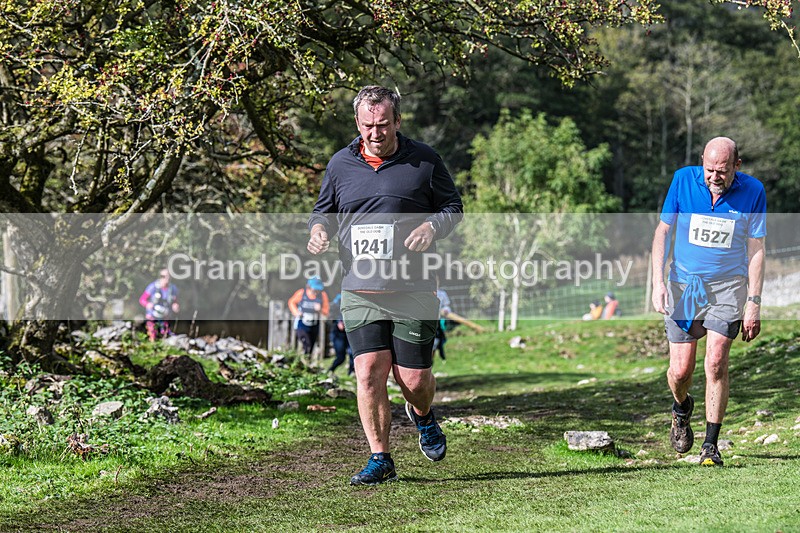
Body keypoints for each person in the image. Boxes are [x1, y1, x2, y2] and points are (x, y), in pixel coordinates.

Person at [306, 85, 463, 485]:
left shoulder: (424, 160)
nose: (375, 133)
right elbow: (322, 212)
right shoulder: (340, 164)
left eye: (382, 125)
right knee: (368, 372)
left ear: (397, 121)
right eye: (367, 125)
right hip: (360, 289)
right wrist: (319, 231)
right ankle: (381, 458)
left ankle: (422, 414)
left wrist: (432, 227)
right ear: (357, 122)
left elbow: (453, 207)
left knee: (413, 380)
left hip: (413, 288)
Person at [651, 136, 766, 467]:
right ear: (702, 160)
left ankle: (710, 445)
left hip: (728, 287)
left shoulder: (753, 191)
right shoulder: (682, 180)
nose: (714, 177)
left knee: (716, 361)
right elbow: (662, 232)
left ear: (736, 166)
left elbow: (757, 248)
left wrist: (754, 302)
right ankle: (681, 408)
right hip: (684, 286)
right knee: (680, 371)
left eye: (722, 171)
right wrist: (658, 283)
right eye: (710, 169)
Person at [287, 277, 330, 356]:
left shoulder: (322, 295)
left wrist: (320, 310)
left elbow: (326, 311)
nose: (317, 291)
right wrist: (296, 312)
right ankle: (301, 358)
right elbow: (291, 302)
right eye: (315, 289)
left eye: (318, 289)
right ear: (309, 287)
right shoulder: (301, 293)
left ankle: (306, 360)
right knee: (306, 343)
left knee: (310, 347)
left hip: (314, 325)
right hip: (302, 324)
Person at [139, 268, 180, 341]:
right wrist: (147, 304)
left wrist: (175, 306)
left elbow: (175, 302)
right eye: (163, 276)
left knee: (165, 335)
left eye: (168, 276)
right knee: (152, 335)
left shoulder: (173, 289)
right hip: (152, 316)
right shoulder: (153, 287)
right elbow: (142, 300)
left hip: (165, 317)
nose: (166, 278)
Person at [327, 293, 354, 375]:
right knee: (341, 357)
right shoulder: (339, 298)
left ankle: (351, 373)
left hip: (351, 330)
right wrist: (338, 321)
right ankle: (330, 370)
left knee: (352, 353)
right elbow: (332, 311)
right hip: (338, 332)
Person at [433, 285, 452, 361]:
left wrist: (445, 310)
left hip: (437, 323)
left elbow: (446, 306)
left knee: (435, 344)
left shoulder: (442, 293)